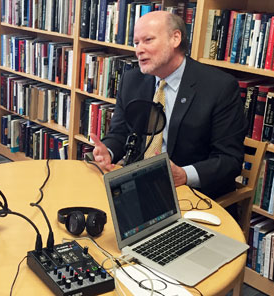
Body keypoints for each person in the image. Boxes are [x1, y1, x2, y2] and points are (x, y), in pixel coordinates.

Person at [91, 11, 246, 199]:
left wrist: (184, 175)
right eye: (136, 43)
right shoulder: (132, 80)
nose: (138, 50)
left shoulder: (219, 87)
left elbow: (229, 160)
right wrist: (107, 151)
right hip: (138, 186)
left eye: (147, 40)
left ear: (175, 38)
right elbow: (120, 132)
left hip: (191, 194)